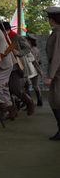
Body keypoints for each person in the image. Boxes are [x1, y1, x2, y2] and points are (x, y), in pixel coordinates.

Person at [0, 22, 36, 116]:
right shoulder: (2, 39)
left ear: (6, 30)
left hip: (17, 67)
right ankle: (13, 111)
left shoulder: (17, 38)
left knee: (16, 88)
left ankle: (30, 102)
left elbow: (27, 49)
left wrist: (18, 52)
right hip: (7, 66)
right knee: (7, 90)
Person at [43, 7, 60, 140]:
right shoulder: (56, 32)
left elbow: (56, 57)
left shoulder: (58, 33)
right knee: (54, 100)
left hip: (58, 73)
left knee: (55, 100)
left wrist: (50, 75)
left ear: (52, 19)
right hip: (57, 72)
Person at [26, 34, 43, 106]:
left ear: (29, 41)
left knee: (25, 85)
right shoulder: (36, 49)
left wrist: (40, 70)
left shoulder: (29, 50)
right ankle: (40, 101)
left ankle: (29, 102)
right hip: (36, 69)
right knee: (36, 85)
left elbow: (35, 61)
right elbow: (39, 60)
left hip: (31, 69)